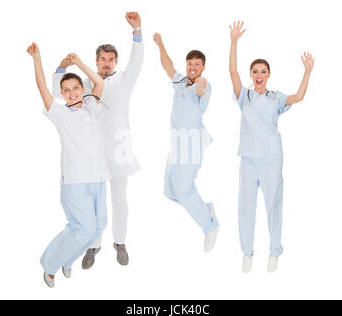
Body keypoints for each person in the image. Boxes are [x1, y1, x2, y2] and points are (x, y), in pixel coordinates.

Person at [52, 12, 143, 268]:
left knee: (119, 198)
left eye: (110, 60)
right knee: (95, 201)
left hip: (119, 151)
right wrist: (61, 65)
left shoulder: (125, 79)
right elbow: (57, 92)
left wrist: (137, 31)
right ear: (95, 61)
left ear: (116, 62)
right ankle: (94, 245)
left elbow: (138, 59)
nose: (106, 63)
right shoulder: (86, 85)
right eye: (102, 59)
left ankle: (120, 241)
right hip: (92, 154)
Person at [229, 21, 314, 273]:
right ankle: (247, 252)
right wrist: (234, 42)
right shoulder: (243, 96)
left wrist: (307, 71)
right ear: (251, 75)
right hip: (248, 159)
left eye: (262, 71)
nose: (258, 75)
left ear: (268, 74)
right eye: (254, 71)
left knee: (273, 205)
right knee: (245, 206)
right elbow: (232, 71)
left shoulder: (275, 98)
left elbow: (298, 97)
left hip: (271, 159)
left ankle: (274, 251)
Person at [27, 43, 110, 287]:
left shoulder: (92, 107)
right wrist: (37, 58)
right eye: (66, 89)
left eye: (76, 87)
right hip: (74, 182)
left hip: (98, 178)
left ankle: (68, 260)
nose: (72, 92)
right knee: (83, 229)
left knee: (97, 229)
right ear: (62, 94)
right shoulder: (60, 114)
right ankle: (49, 266)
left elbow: (100, 83)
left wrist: (79, 63)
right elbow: (42, 86)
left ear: (83, 89)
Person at [153, 32, 219, 252]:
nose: (192, 67)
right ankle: (205, 209)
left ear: (203, 67)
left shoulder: (203, 85)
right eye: (190, 63)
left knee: (183, 190)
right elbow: (167, 65)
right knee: (170, 190)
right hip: (176, 144)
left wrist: (199, 81)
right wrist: (161, 43)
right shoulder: (181, 81)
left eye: (197, 64)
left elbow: (200, 87)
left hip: (192, 145)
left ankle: (210, 226)